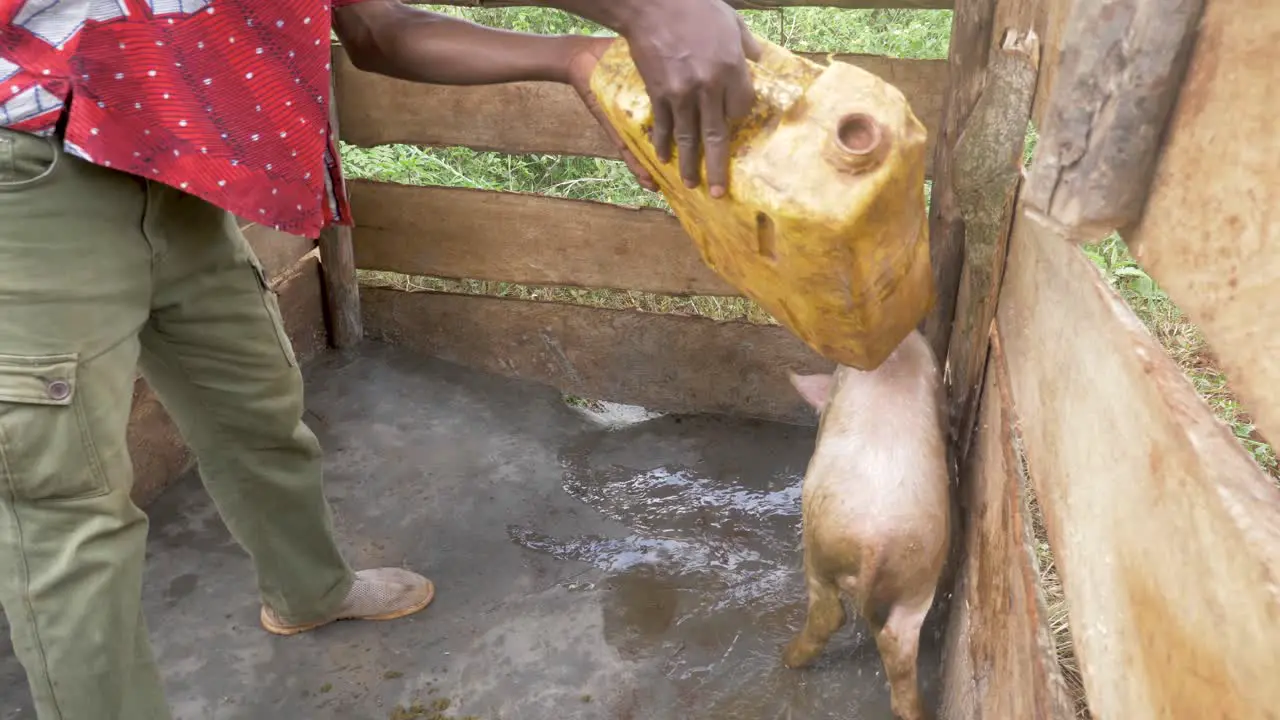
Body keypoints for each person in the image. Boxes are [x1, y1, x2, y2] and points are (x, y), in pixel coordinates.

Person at [0, 0, 762, 717]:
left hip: (173, 158)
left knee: (255, 404)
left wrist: (578, 57)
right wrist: (643, 9)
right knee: (69, 513)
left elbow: (380, 29)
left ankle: (310, 591)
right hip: (35, 162)